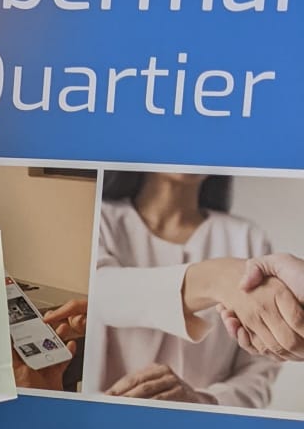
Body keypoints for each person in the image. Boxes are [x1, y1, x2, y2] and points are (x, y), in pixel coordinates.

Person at [89, 173, 300, 405]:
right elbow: (99, 291)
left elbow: (258, 372)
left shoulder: (247, 237)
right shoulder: (98, 217)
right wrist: (218, 278)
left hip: (199, 427)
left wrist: (204, 402)